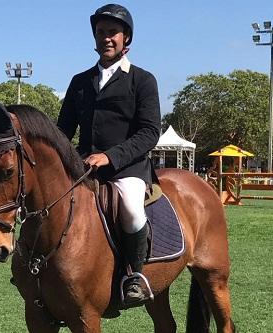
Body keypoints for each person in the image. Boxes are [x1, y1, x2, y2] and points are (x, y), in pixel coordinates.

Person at [57, 4, 161, 304]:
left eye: (113, 32)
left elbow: (149, 132)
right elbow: (63, 130)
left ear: (125, 37)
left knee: (130, 207)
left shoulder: (142, 80)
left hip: (127, 168)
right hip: (84, 168)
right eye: (101, 32)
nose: (106, 38)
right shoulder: (79, 82)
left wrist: (111, 156)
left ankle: (133, 275)